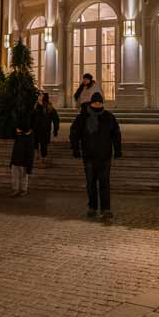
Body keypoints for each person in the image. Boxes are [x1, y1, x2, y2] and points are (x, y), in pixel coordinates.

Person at [69, 91, 122, 220]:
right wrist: (75, 148)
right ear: (91, 102)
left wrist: (118, 149)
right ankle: (92, 207)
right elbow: (74, 133)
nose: (98, 104)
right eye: (95, 102)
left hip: (104, 156)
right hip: (89, 156)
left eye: (99, 102)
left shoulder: (109, 117)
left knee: (104, 183)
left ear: (102, 103)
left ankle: (106, 209)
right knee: (91, 183)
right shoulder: (82, 117)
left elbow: (116, 134)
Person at [9, 109, 34, 198]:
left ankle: (23, 190)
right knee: (15, 175)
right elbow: (15, 148)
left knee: (23, 176)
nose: (17, 130)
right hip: (16, 159)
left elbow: (30, 152)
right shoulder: (19, 135)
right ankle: (15, 189)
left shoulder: (28, 137)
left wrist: (29, 165)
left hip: (23, 160)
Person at [31, 92, 60, 166]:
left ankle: (43, 158)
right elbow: (31, 118)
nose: (39, 97)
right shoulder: (35, 106)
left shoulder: (49, 108)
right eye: (39, 95)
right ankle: (37, 155)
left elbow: (55, 119)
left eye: (41, 96)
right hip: (35, 129)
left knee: (44, 144)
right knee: (35, 143)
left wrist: (55, 129)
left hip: (45, 129)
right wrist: (30, 127)